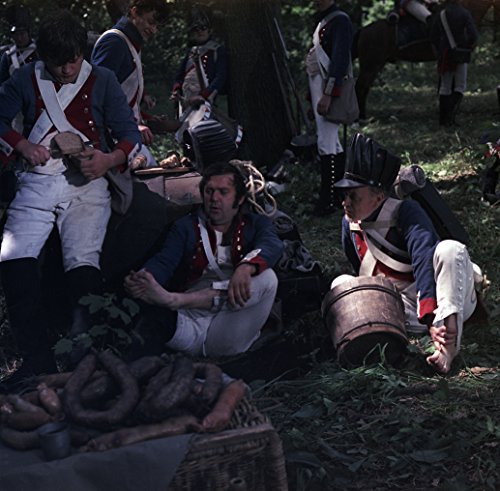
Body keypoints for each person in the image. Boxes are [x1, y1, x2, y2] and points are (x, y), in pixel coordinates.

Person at [0, 10, 141, 385]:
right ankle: (37, 362)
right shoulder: (24, 78)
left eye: (73, 60)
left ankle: (85, 363)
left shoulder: (103, 80)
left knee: (82, 265)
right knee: (13, 261)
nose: (66, 70)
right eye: (57, 62)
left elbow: (129, 135)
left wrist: (108, 159)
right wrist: (23, 145)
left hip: (87, 183)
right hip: (37, 181)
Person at [330, 133, 483, 374]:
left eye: (353, 195)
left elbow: (424, 259)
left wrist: (430, 316)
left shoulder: (406, 211)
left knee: (450, 250)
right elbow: (357, 268)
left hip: (442, 297)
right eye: (345, 196)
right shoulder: (348, 224)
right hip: (399, 305)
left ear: (378, 197)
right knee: (341, 283)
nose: (345, 202)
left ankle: (447, 347)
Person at [124, 161, 283, 358]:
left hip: (230, 326)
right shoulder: (185, 227)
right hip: (188, 320)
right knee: (150, 316)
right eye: (209, 191)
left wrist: (246, 266)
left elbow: (272, 245)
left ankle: (172, 300)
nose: (214, 198)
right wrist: (144, 279)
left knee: (268, 279)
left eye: (223, 192)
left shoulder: (256, 224)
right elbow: (164, 261)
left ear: (240, 198)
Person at [91, 0, 168, 166]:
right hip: (112, 138)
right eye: (151, 22)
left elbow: (122, 96)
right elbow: (97, 95)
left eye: (157, 26)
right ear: (134, 12)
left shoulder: (130, 42)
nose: (154, 30)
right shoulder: (115, 42)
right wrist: (130, 126)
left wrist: (144, 118)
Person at [305, 0, 353, 216]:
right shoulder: (323, 20)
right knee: (332, 142)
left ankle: (327, 200)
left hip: (328, 89)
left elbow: (339, 61)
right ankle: (337, 196)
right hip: (320, 87)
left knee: (326, 143)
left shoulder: (340, 21)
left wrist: (328, 94)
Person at [170, 5, 228, 114]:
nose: (200, 31)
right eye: (196, 29)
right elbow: (179, 76)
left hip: (205, 100)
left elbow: (220, 76)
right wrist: (176, 90)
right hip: (186, 101)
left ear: (209, 30)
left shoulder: (217, 50)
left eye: (203, 27)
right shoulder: (190, 51)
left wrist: (205, 94)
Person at [430, 0, 478, 127]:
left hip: (445, 54)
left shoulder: (441, 14)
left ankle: (443, 120)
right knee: (460, 87)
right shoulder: (465, 13)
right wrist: (466, 45)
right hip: (461, 53)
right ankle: (450, 117)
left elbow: (433, 36)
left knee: (445, 87)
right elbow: (473, 35)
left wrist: (440, 49)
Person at [0, 20, 37, 85]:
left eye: (22, 34)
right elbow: (3, 79)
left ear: (28, 34)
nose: (19, 38)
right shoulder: (8, 55)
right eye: (16, 35)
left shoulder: (38, 52)